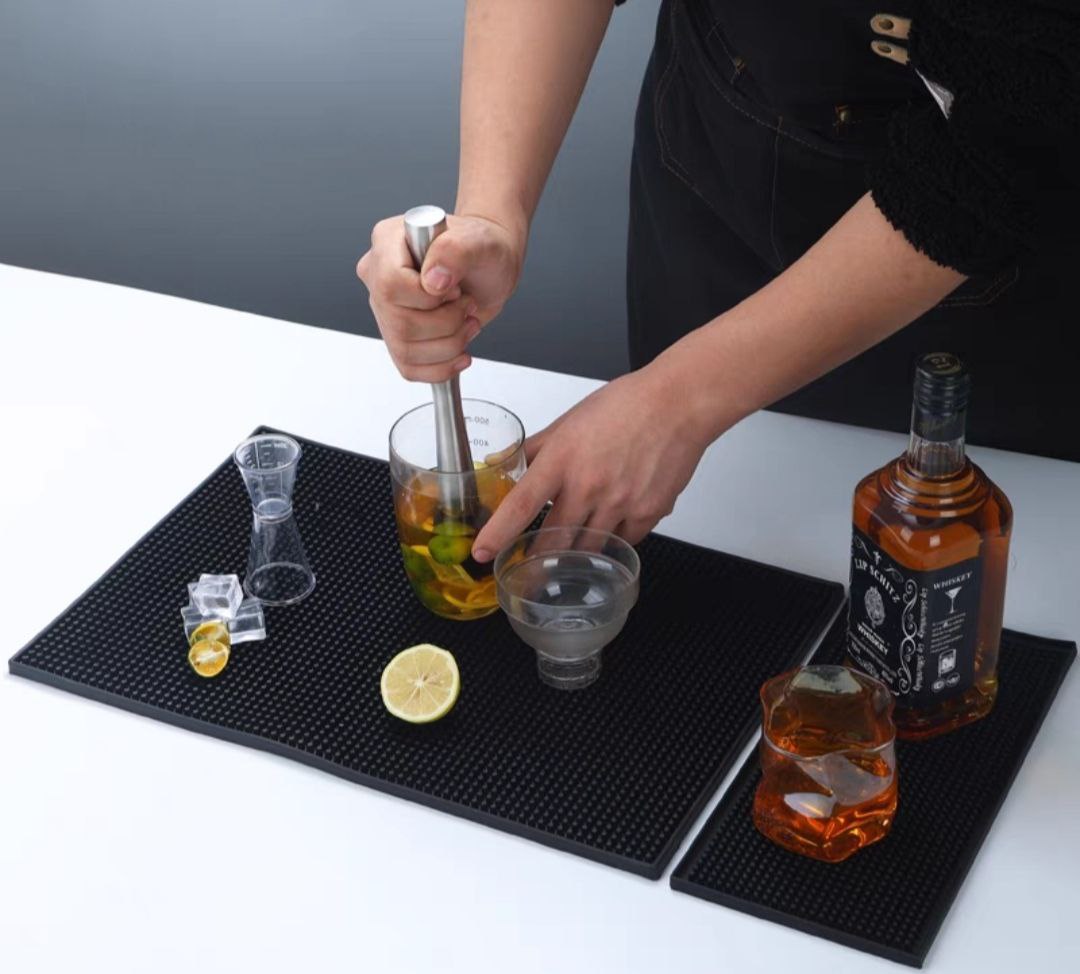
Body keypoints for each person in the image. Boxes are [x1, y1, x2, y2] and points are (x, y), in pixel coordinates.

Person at [357, 0, 1079, 564]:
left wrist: (679, 399)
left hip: (962, 287)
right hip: (714, 165)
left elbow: (1013, 132)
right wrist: (492, 212)